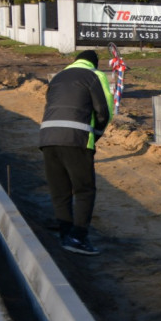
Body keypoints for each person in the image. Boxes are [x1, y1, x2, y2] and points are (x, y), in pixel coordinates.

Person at [39, 49, 114, 255]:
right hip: (76, 139)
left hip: (47, 138)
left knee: (60, 190)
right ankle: (78, 237)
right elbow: (104, 110)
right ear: (95, 64)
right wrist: (95, 134)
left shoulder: (59, 76)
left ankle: (65, 234)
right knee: (84, 190)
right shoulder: (95, 75)